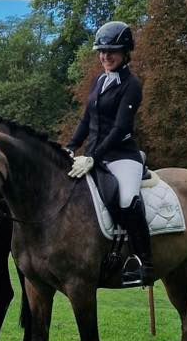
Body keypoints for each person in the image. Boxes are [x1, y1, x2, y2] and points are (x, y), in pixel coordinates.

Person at [65, 21, 154, 287]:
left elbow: (120, 128)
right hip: (95, 155)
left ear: (125, 52)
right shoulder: (100, 80)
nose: (105, 56)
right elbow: (86, 120)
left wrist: (93, 156)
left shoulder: (132, 85)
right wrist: (71, 146)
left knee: (126, 200)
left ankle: (144, 262)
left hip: (122, 156)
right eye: (102, 51)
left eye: (111, 51)